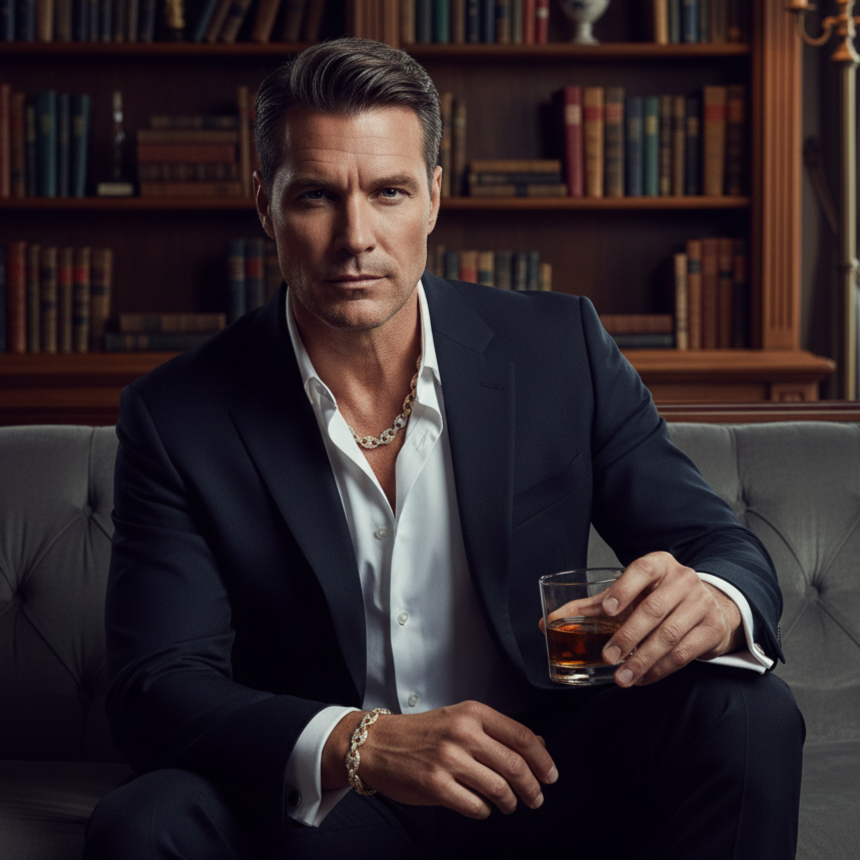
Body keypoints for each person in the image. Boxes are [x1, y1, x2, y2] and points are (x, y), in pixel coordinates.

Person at [85, 37, 804, 860]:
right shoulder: (178, 414)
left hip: (551, 776)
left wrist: (715, 598)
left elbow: (719, 546)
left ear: (432, 197)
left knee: (749, 710)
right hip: (331, 809)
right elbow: (157, 689)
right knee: (145, 823)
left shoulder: (559, 346)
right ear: (265, 203)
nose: (355, 236)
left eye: (388, 192)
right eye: (317, 195)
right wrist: (363, 744)